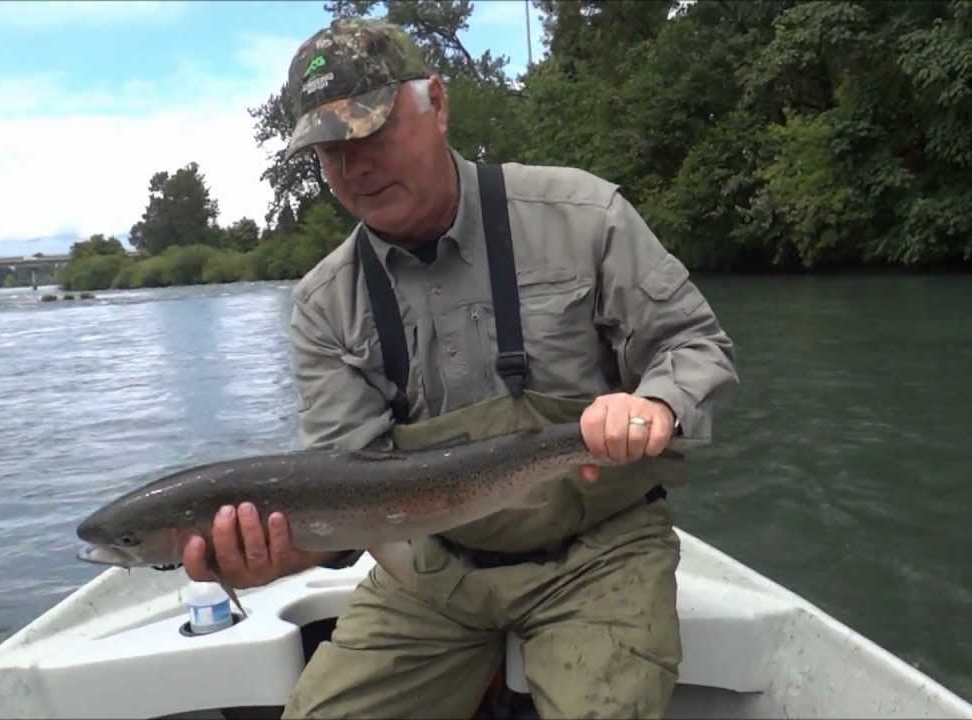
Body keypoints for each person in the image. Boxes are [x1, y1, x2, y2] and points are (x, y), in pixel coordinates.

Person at [182, 17, 739, 719]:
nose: (355, 167)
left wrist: (655, 404)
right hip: (432, 571)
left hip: (602, 553)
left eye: (371, 132)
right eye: (330, 150)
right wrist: (283, 555)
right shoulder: (325, 306)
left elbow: (695, 345)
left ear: (437, 103)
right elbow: (348, 488)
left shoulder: (583, 215)